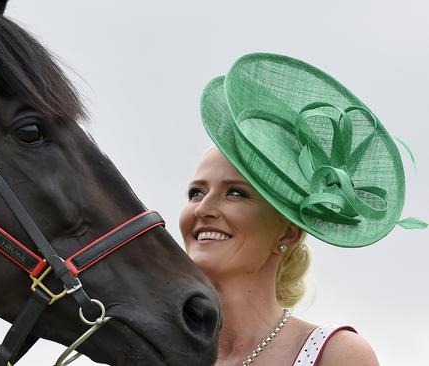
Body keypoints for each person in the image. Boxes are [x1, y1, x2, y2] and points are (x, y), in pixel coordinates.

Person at [179, 53, 426, 366]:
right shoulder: (158, 353)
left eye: (235, 193)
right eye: (196, 192)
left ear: (288, 232)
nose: (203, 208)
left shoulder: (337, 355)